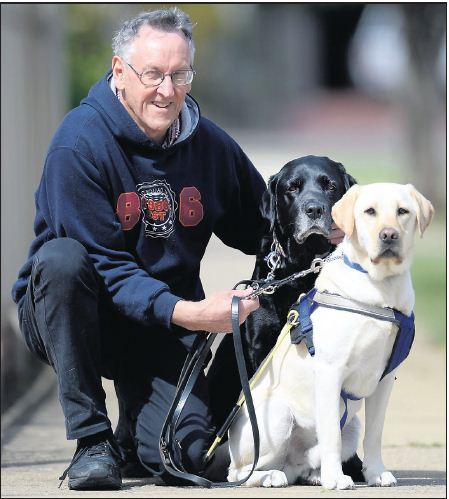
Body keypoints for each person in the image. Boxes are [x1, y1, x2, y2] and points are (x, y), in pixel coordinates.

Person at [11, 7, 266, 490]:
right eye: (153, 74)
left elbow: (262, 225)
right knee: (63, 262)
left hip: (160, 328)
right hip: (79, 314)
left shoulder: (209, 145)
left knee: (186, 459)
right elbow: (105, 268)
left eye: (180, 74)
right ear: (119, 72)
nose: (167, 90)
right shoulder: (79, 144)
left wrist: (328, 228)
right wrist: (193, 314)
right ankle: (92, 440)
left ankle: (133, 440)